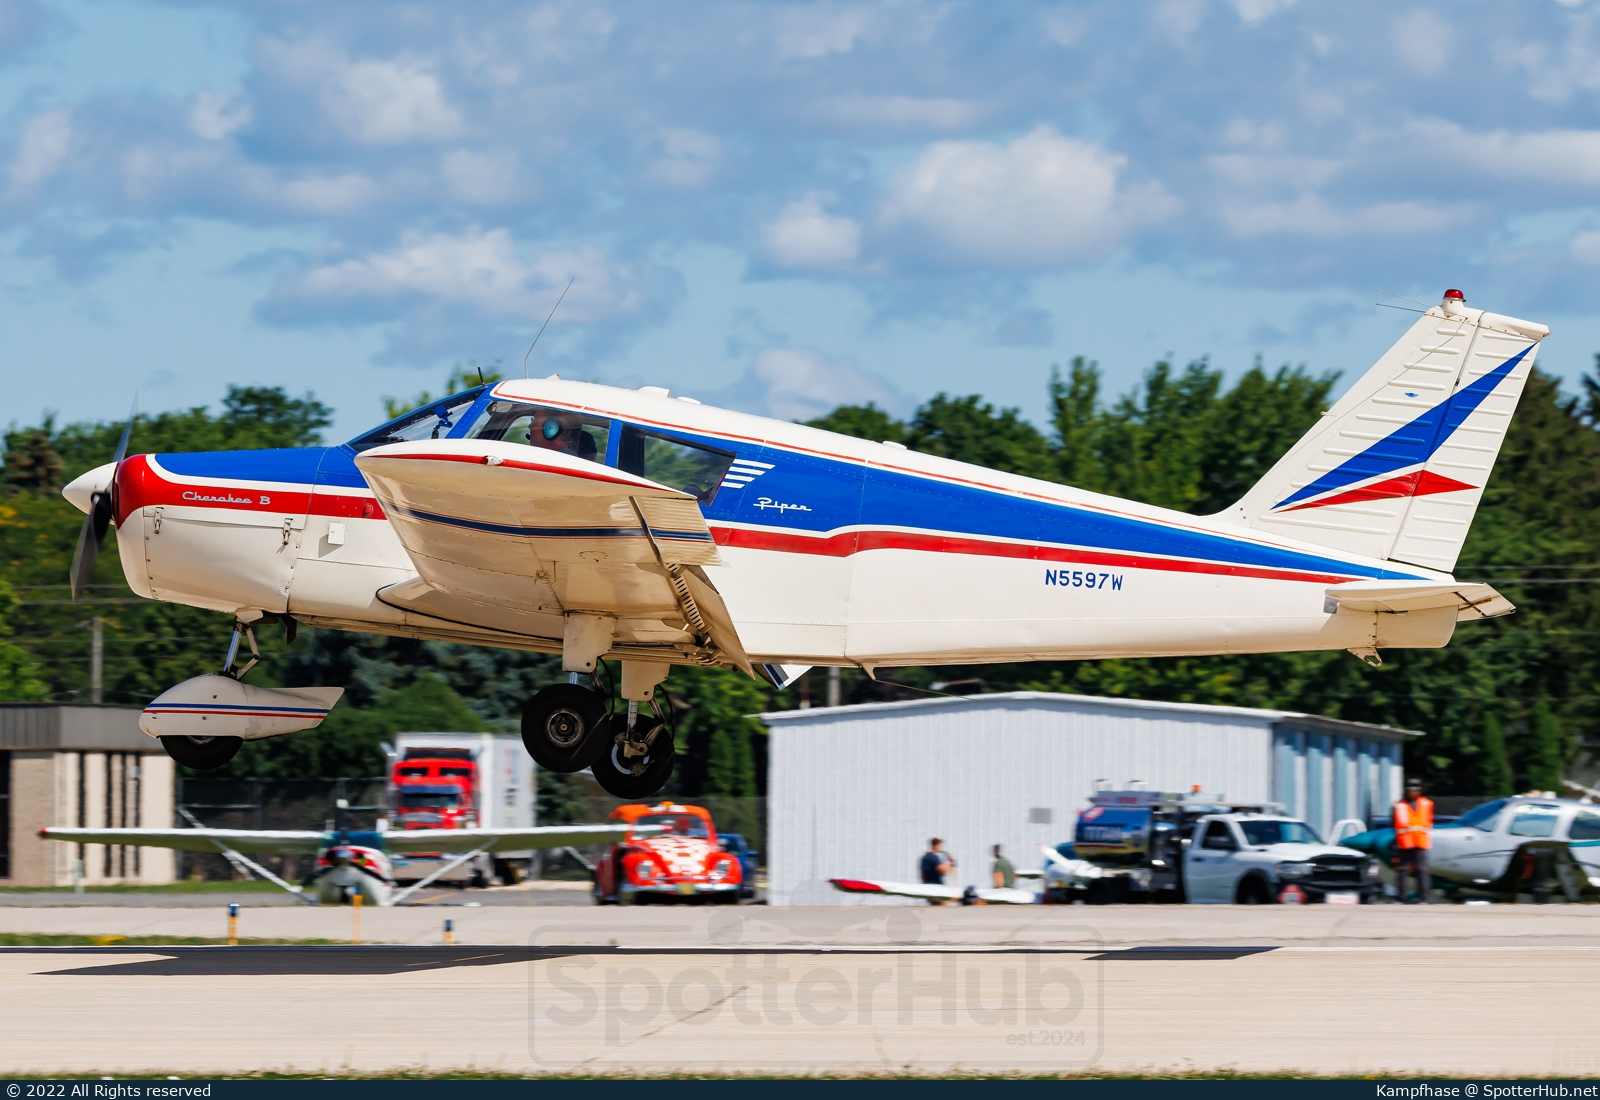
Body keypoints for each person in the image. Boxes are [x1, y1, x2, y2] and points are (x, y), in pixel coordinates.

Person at [1393, 777, 1434, 904]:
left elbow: (1428, 822)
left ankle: (1424, 898)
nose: (1413, 791)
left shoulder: (1427, 804)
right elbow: (1394, 824)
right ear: (1406, 790)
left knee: (1422, 869)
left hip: (1420, 841)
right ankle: (1401, 898)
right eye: (1411, 788)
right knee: (1403, 870)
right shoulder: (1399, 805)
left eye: (1416, 789)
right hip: (1405, 842)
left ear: (1420, 790)